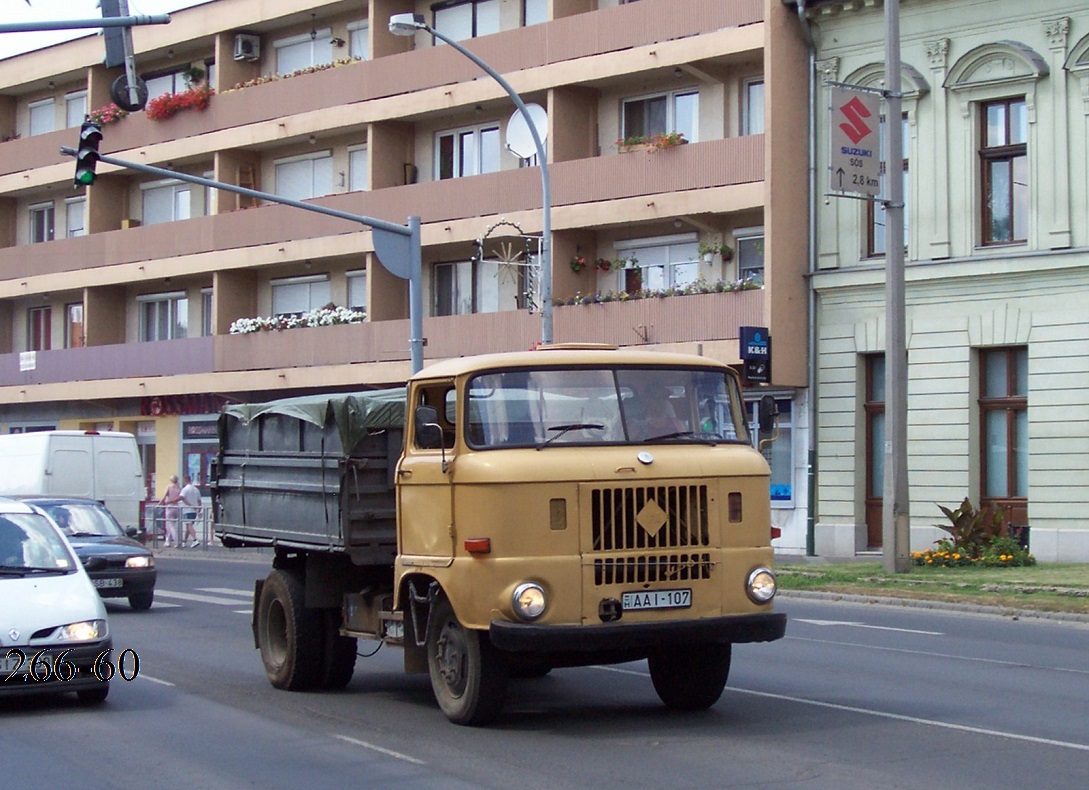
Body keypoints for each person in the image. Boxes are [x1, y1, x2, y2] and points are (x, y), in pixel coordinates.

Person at [158, 475, 182, 548]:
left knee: (171, 526)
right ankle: (167, 541)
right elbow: (180, 498)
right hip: (176, 507)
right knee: (170, 525)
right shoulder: (179, 488)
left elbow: (164, 496)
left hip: (169, 507)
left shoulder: (169, 487)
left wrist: (159, 504)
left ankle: (177, 541)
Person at [180, 475, 202, 548]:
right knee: (189, 526)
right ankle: (184, 542)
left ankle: (195, 539)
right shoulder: (196, 489)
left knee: (189, 525)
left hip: (187, 510)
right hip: (194, 510)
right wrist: (199, 510)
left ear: (185, 480)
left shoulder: (185, 489)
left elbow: (181, 497)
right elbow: (199, 501)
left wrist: (170, 501)